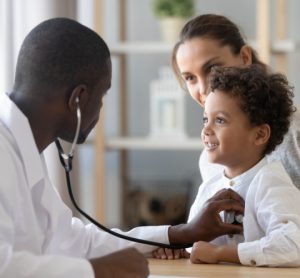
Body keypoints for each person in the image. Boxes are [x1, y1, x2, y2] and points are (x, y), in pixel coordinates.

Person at [0, 18, 245, 277]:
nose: (102, 108)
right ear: (78, 99)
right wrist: (96, 271)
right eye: (103, 94)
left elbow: (77, 242)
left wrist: (181, 233)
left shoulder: (23, 150)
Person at [152, 13, 300, 260]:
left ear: (244, 58)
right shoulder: (212, 163)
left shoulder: (291, 133)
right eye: (189, 78)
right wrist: (180, 245)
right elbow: (202, 239)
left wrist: (224, 252)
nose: (203, 88)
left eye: (212, 68)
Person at [189, 65, 300, 267]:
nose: (206, 129)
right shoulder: (209, 188)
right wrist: (174, 248)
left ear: (259, 135)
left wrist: (220, 253)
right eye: (206, 119)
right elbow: (193, 244)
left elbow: (293, 246)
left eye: (220, 120)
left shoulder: (271, 183)